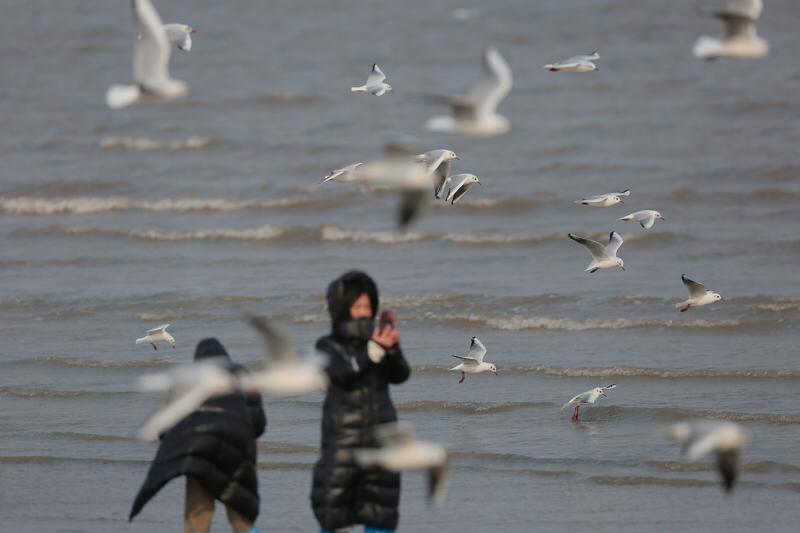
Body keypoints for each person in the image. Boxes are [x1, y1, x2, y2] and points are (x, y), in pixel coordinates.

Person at [129, 338, 266, 533]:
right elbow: (257, 422)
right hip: (236, 443)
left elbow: (167, 425)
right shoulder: (242, 373)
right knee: (239, 509)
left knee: (198, 513)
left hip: (199, 444)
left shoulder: (187, 376)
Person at [311, 270, 411, 533]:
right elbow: (342, 374)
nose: (364, 312)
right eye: (357, 306)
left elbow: (401, 375)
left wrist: (393, 350)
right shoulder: (327, 345)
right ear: (341, 308)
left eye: (368, 306)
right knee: (333, 515)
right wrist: (373, 352)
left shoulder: (378, 341)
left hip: (381, 439)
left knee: (380, 514)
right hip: (343, 441)